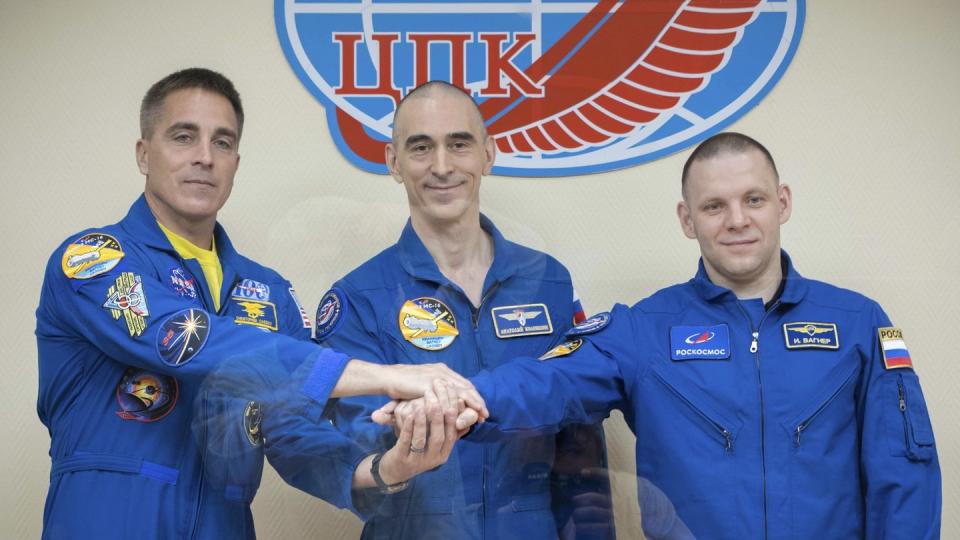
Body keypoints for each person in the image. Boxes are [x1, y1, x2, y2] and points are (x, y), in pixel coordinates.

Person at [380, 132, 942, 539]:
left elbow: (904, 475)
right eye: (714, 206)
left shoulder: (858, 323)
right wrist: (457, 399)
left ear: (783, 204)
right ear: (686, 219)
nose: (737, 221)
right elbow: (546, 379)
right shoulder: (643, 329)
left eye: (754, 199)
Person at [35, 68, 481, 540]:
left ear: (236, 163)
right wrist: (387, 375)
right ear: (144, 154)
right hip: (107, 522)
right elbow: (187, 339)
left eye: (222, 142)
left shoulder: (268, 293)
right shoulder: (92, 260)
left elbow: (293, 432)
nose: (204, 157)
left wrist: (389, 465)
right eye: (184, 137)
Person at [312, 81, 613, 539]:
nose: (442, 166)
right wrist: (412, 435)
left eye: (459, 144)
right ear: (393, 162)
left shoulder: (548, 281)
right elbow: (359, 454)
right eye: (420, 147)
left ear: (487, 154)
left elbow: (580, 439)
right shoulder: (358, 298)